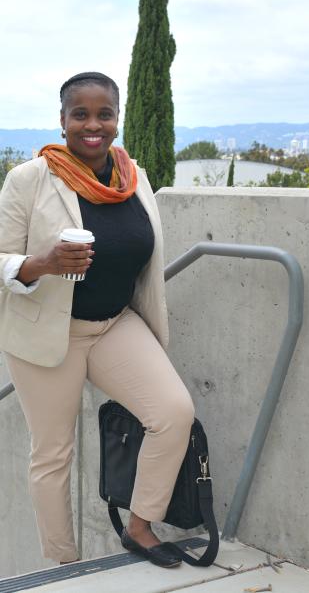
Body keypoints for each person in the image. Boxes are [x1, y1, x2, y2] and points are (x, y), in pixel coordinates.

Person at [0, 72, 194, 568]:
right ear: (61, 120)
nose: (93, 125)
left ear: (116, 118)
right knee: (53, 455)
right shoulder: (30, 179)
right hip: (49, 332)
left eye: (103, 114)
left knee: (173, 413)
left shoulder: (134, 177)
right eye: (80, 114)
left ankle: (141, 526)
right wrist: (41, 263)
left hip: (114, 325)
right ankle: (63, 566)